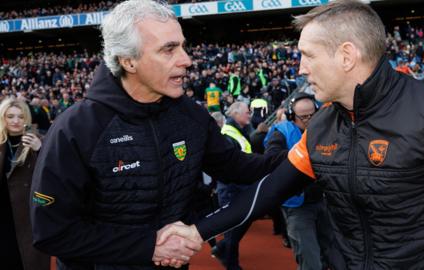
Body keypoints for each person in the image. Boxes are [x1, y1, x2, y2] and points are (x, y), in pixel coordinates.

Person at [158, 1, 424, 269]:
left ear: (346, 55)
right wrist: (196, 231)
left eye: (307, 55)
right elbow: (268, 191)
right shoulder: (321, 128)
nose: (300, 68)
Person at [29, 1, 283, 270]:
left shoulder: (191, 115)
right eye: (168, 49)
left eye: (183, 46)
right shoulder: (76, 128)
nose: (186, 59)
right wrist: (150, 246)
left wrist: (305, 154)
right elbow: (51, 232)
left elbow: (239, 168)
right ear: (128, 61)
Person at [264, 92, 332, 270]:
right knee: (310, 261)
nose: (309, 120)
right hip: (297, 206)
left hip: (324, 200)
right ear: (292, 116)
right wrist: (301, 156)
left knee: (332, 255)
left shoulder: (324, 127)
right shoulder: (282, 132)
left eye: (312, 115)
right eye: (304, 117)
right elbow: (271, 158)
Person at [0, 97, 50, 270]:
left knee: (26, 260)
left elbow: (53, 174)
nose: (15, 121)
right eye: (10, 116)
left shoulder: (38, 140)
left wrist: (40, 150)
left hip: (27, 214)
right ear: (3, 118)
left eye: (20, 117)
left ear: (26, 119)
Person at [212, 102, 254, 270]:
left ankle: (221, 248)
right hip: (233, 188)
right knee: (233, 228)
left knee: (240, 224)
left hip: (240, 186)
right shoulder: (229, 134)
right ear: (235, 114)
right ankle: (231, 265)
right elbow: (232, 166)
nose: (250, 114)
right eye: (246, 112)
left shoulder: (237, 131)